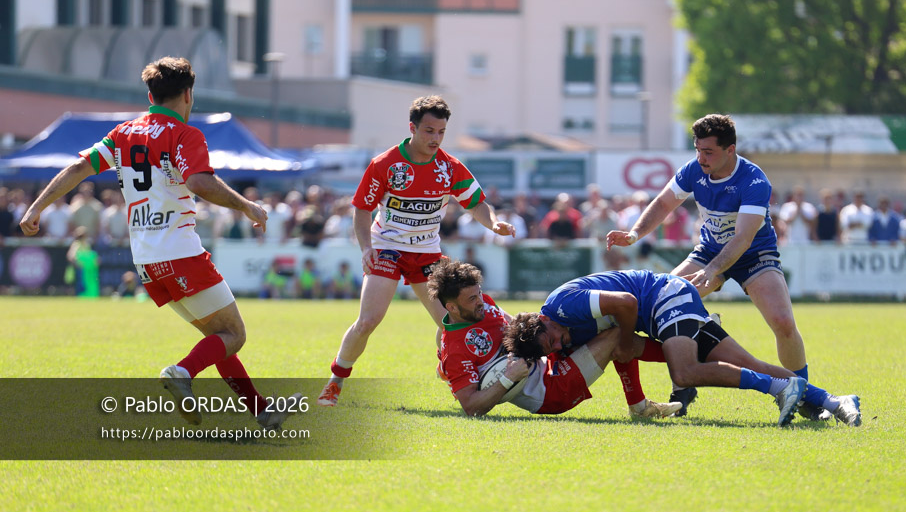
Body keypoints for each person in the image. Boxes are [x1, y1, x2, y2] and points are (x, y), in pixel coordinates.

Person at [19, 56, 299, 429]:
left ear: (150, 95)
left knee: (216, 336)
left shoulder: (123, 134)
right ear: (188, 94)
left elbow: (78, 167)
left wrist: (35, 208)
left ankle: (262, 411)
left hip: (147, 260)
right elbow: (199, 182)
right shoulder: (185, 134)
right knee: (233, 334)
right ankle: (181, 372)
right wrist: (247, 205)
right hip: (180, 252)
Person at [318, 95, 515, 406]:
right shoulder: (385, 164)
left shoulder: (449, 167)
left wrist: (493, 224)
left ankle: (444, 360)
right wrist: (366, 248)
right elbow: (362, 209)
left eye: (441, 132)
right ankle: (335, 382)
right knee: (368, 321)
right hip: (387, 249)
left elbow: (477, 203)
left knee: (451, 321)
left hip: (427, 254)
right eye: (429, 131)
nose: (436, 138)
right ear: (412, 128)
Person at [606, 114, 811, 393]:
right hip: (710, 250)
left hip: (754, 255)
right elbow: (664, 203)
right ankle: (685, 382)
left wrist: (712, 270)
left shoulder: (754, 181)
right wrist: (634, 234)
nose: (701, 158)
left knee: (783, 323)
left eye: (709, 152)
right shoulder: (694, 170)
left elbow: (743, 238)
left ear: (730, 150)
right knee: (662, 303)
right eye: (698, 150)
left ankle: (806, 393)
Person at [505, 270, 862, 427]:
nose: (560, 345)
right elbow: (624, 351)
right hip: (663, 312)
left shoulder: (562, 306)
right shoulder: (562, 331)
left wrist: (627, 343)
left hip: (665, 298)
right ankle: (835, 401)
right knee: (747, 362)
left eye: (552, 339)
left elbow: (627, 303)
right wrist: (636, 401)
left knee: (685, 373)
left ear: (542, 319)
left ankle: (780, 388)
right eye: (551, 349)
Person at [428, 261, 680, 418]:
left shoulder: (483, 305)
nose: (481, 301)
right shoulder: (456, 351)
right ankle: (685, 361)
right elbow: (471, 407)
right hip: (550, 392)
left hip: (549, 361)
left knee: (602, 326)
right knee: (615, 335)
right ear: (452, 307)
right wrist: (508, 377)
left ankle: (684, 353)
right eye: (472, 299)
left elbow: (512, 325)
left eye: (479, 293)